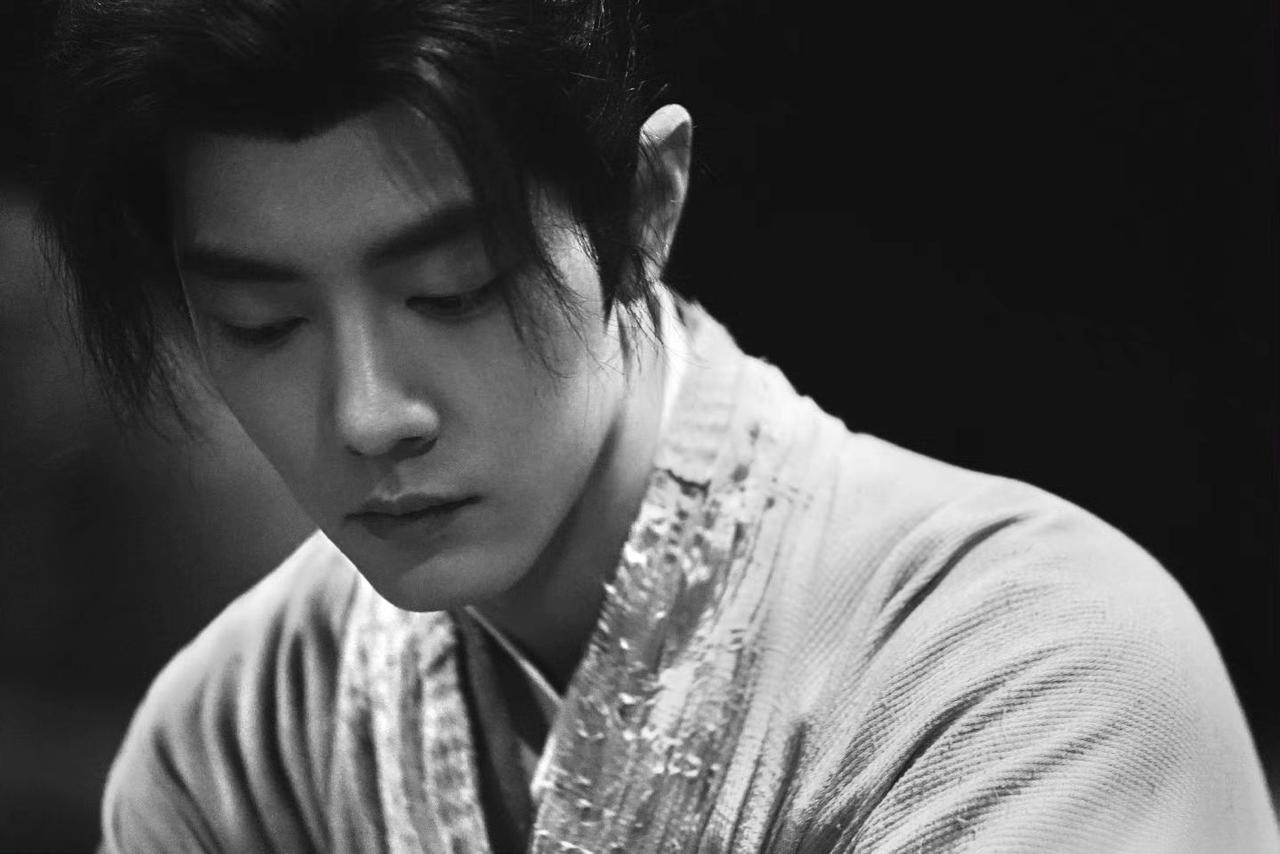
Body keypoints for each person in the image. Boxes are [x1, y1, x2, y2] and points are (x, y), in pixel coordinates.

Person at [38, 0, 1278, 851]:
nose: (367, 412)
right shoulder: (233, 747)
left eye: (454, 289)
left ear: (642, 207)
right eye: (262, 323)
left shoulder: (1027, 677)